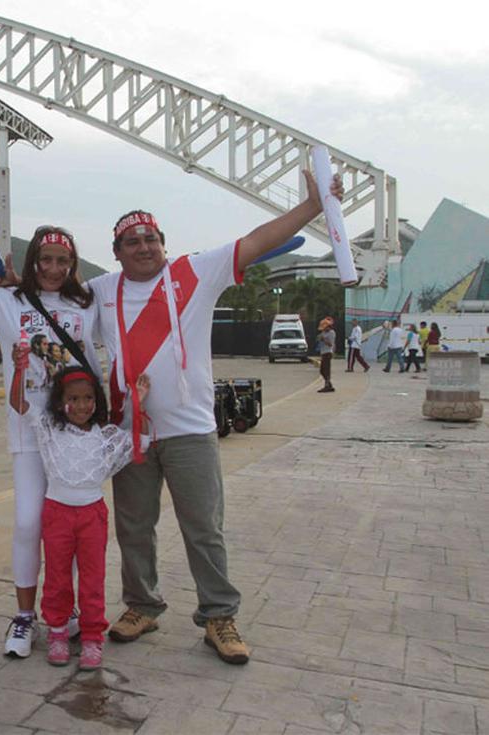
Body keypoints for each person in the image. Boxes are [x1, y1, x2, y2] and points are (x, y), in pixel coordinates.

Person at [86, 170, 344, 665]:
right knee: (134, 527)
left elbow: (259, 240)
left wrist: (313, 205)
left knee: (203, 527)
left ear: (164, 243)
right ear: (116, 251)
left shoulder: (195, 272)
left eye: (150, 239)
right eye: (131, 242)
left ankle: (219, 615)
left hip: (191, 431)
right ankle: (142, 605)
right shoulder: (100, 289)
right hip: (129, 432)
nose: (143, 247)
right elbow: (48, 297)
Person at [0, 213, 100, 658]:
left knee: (72, 532)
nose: (53, 268)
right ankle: (25, 615)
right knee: (29, 523)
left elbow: (99, 359)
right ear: (31, 262)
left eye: (62, 260)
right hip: (29, 433)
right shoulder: (7, 300)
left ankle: (71, 614)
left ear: (73, 263)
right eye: (45, 259)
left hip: (73, 437)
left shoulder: (87, 304)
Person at [9, 345, 150, 670]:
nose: (81, 405)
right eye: (73, 399)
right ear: (60, 402)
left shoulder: (105, 437)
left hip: (92, 516)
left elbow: (136, 436)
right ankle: (57, 633)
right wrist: (19, 369)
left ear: (96, 402)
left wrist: (137, 400)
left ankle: (91, 639)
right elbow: (18, 403)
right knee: (57, 577)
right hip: (56, 514)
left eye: (88, 398)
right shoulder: (49, 430)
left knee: (92, 579)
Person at [317, 316, 336, 392]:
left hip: (328, 352)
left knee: (326, 370)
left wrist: (323, 339)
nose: (324, 329)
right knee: (322, 370)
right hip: (323, 352)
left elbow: (330, 344)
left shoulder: (332, 333)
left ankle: (327, 385)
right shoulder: (323, 332)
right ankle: (329, 384)